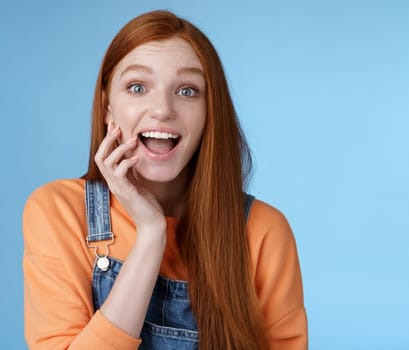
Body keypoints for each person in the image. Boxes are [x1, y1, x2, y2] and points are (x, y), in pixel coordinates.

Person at [22, 10, 307, 350]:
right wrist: (151, 233)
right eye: (137, 87)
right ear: (108, 107)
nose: (162, 109)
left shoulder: (263, 230)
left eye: (187, 90)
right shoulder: (59, 212)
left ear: (210, 112)